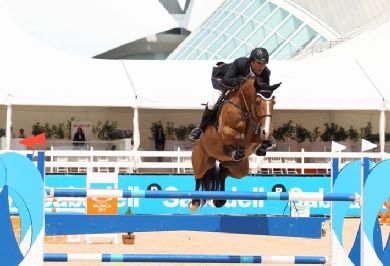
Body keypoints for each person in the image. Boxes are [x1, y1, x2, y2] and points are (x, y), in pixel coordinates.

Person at [188, 47, 280, 155]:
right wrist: (239, 80)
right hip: (227, 83)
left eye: (264, 64)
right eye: (259, 63)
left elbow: (263, 91)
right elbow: (227, 79)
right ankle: (200, 129)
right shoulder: (240, 63)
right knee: (212, 102)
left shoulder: (266, 73)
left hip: (246, 93)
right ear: (252, 61)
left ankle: (264, 135)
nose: (261, 67)